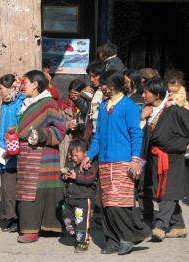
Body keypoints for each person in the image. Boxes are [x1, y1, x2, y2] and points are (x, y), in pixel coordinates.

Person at [82, 70, 150, 255]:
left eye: (103, 84)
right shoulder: (103, 106)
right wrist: (89, 155)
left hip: (123, 161)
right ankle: (111, 240)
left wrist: (136, 160)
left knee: (119, 203)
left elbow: (136, 135)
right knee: (106, 204)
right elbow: (98, 136)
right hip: (104, 162)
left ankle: (128, 237)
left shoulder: (128, 106)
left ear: (113, 85)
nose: (101, 87)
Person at [16, 70, 66, 243]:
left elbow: (60, 129)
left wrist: (40, 135)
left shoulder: (49, 103)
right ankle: (36, 226)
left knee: (33, 192)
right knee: (26, 190)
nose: (23, 86)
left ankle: (32, 229)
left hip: (42, 154)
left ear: (35, 85)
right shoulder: (28, 103)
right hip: (26, 154)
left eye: (26, 82)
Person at [141, 77, 189, 241]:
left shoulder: (175, 109)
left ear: (156, 93)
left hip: (173, 158)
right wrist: (142, 118)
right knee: (161, 191)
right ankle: (178, 226)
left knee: (167, 192)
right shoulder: (148, 111)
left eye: (146, 92)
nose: (143, 95)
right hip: (155, 157)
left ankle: (160, 226)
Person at [0, 74, 25, 232]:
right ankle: (8, 216)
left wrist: (11, 148)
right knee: (6, 187)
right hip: (2, 151)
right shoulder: (5, 104)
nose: (0, 92)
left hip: (13, 152)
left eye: (1, 89)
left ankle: (13, 218)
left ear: (12, 87)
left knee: (12, 187)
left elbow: (20, 128)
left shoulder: (20, 103)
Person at [61, 139, 98, 253]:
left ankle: (82, 242)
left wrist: (76, 176)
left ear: (85, 153)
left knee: (81, 221)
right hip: (69, 199)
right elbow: (62, 175)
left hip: (83, 199)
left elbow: (89, 179)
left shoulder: (89, 165)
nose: (74, 158)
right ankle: (76, 235)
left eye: (77, 155)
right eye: (72, 155)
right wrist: (64, 176)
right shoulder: (69, 164)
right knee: (68, 220)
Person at [60, 79, 89, 167]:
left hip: (81, 138)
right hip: (67, 138)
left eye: (75, 93)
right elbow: (57, 122)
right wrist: (67, 125)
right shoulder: (63, 104)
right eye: (71, 93)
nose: (73, 96)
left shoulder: (87, 104)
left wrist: (80, 125)